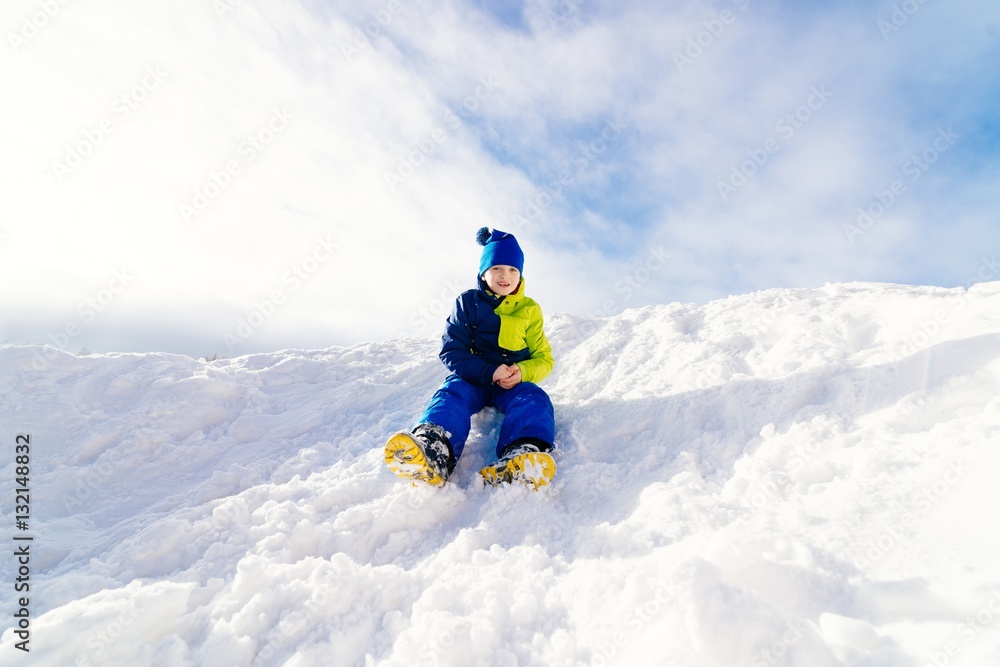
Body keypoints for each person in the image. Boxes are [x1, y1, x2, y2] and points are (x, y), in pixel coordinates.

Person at [385, 227, 556, 489]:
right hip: (473, 377)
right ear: (483, 272)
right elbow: (452, 350)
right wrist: (489, 371)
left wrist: (522, 372)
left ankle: (523, 452)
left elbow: (543, 357)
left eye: (512, 270)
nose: (505, 275)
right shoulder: (468, 302)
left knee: (533, 398)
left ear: (520, 275)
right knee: (452, 393)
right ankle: (434, 448)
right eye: (497, 268)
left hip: (511, 382)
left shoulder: (530, 310)